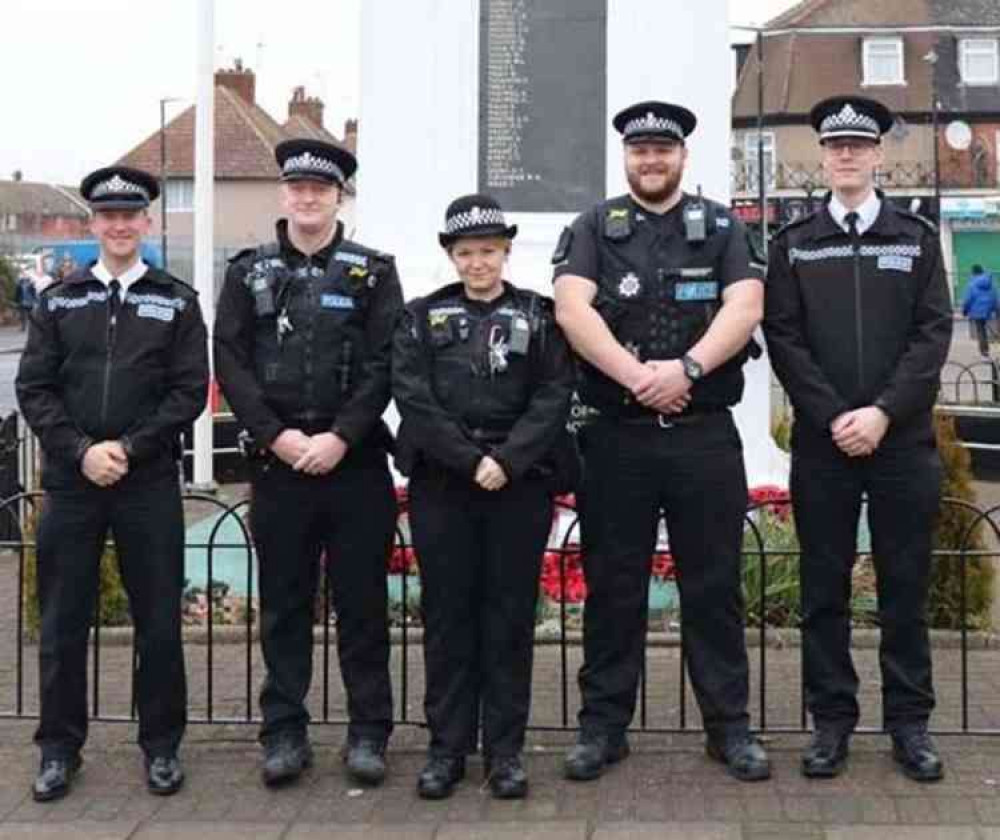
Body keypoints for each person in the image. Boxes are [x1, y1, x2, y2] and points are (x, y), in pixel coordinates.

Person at [552, 101, 769, 782]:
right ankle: (602, 728)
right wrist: (637, 377)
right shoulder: (593, 228)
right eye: (640, 150)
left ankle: (728, 728)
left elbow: (746, 306)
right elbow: (571, 306)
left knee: (714, 587)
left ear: (683, 156)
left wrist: (688, 370)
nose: (651, 160)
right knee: (614, 587)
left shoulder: (725, 228)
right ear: (625, 157)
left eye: (663, 149)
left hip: (704, 436)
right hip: (617, 438)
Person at [764, 95, 953, 782]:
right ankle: (831, 724)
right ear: (823, 155)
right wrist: (835, 417)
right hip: (824, 446)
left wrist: (881, 414)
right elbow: (782, 337)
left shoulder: (917, 237)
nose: (846, 155)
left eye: (859, 145)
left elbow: (933, 335)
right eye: (835, 145)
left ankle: (910, 725)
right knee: (824, 591)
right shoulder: (793, 242)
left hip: (901, 446)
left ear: (877, 155)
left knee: (904, 588)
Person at [16, 165, 209, 801]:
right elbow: (35, 390)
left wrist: (126, 449)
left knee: (158, 623)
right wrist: (80, 451)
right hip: (73, 485)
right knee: (62, 621)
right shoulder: (58, 301)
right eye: (109, 216)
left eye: (132, 215)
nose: (120, 226)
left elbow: (188, 392)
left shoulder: (177, 301)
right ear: (93, 223)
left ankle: (161, 747)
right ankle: (57, 749)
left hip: (146, 481)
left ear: (147, 223)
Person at [214, 138, 401, 788]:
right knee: (285, 608)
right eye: (297, 187)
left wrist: (342, 437)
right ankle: (284, 733)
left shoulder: (374, 272)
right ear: (283, 194)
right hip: (279, 465)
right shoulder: (247, 271)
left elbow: (387, 363)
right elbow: (230, 361)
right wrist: (276, 437)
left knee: (362, 606)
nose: (308, 197)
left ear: (339, 197)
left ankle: (369, 731)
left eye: (321, 189)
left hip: (354, 466)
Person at [392, 195, 575, 800]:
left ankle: (505, 751)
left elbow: (553, 396)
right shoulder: (420, 318)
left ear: (506, 252)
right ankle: (446, 749)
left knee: (508, 619)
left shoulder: (539, 316)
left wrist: (507, 460)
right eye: (466, 252)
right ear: (450, 254)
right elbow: (413, 397)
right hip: (445, 484)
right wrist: (471, 461)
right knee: (446, 618)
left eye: (489, 251)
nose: (478, 263)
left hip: (517, 485)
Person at [961, 264, 997, 357]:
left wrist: (964, 310)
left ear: (973, 272)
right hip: (988, 310)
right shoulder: (990, 282)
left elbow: (968, 299)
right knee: (988, 328)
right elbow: (995, 296)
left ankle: (984, 352)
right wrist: (995, 308)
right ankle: (989, 345)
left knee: (980, 331)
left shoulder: (972, 284)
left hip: (977, 311)